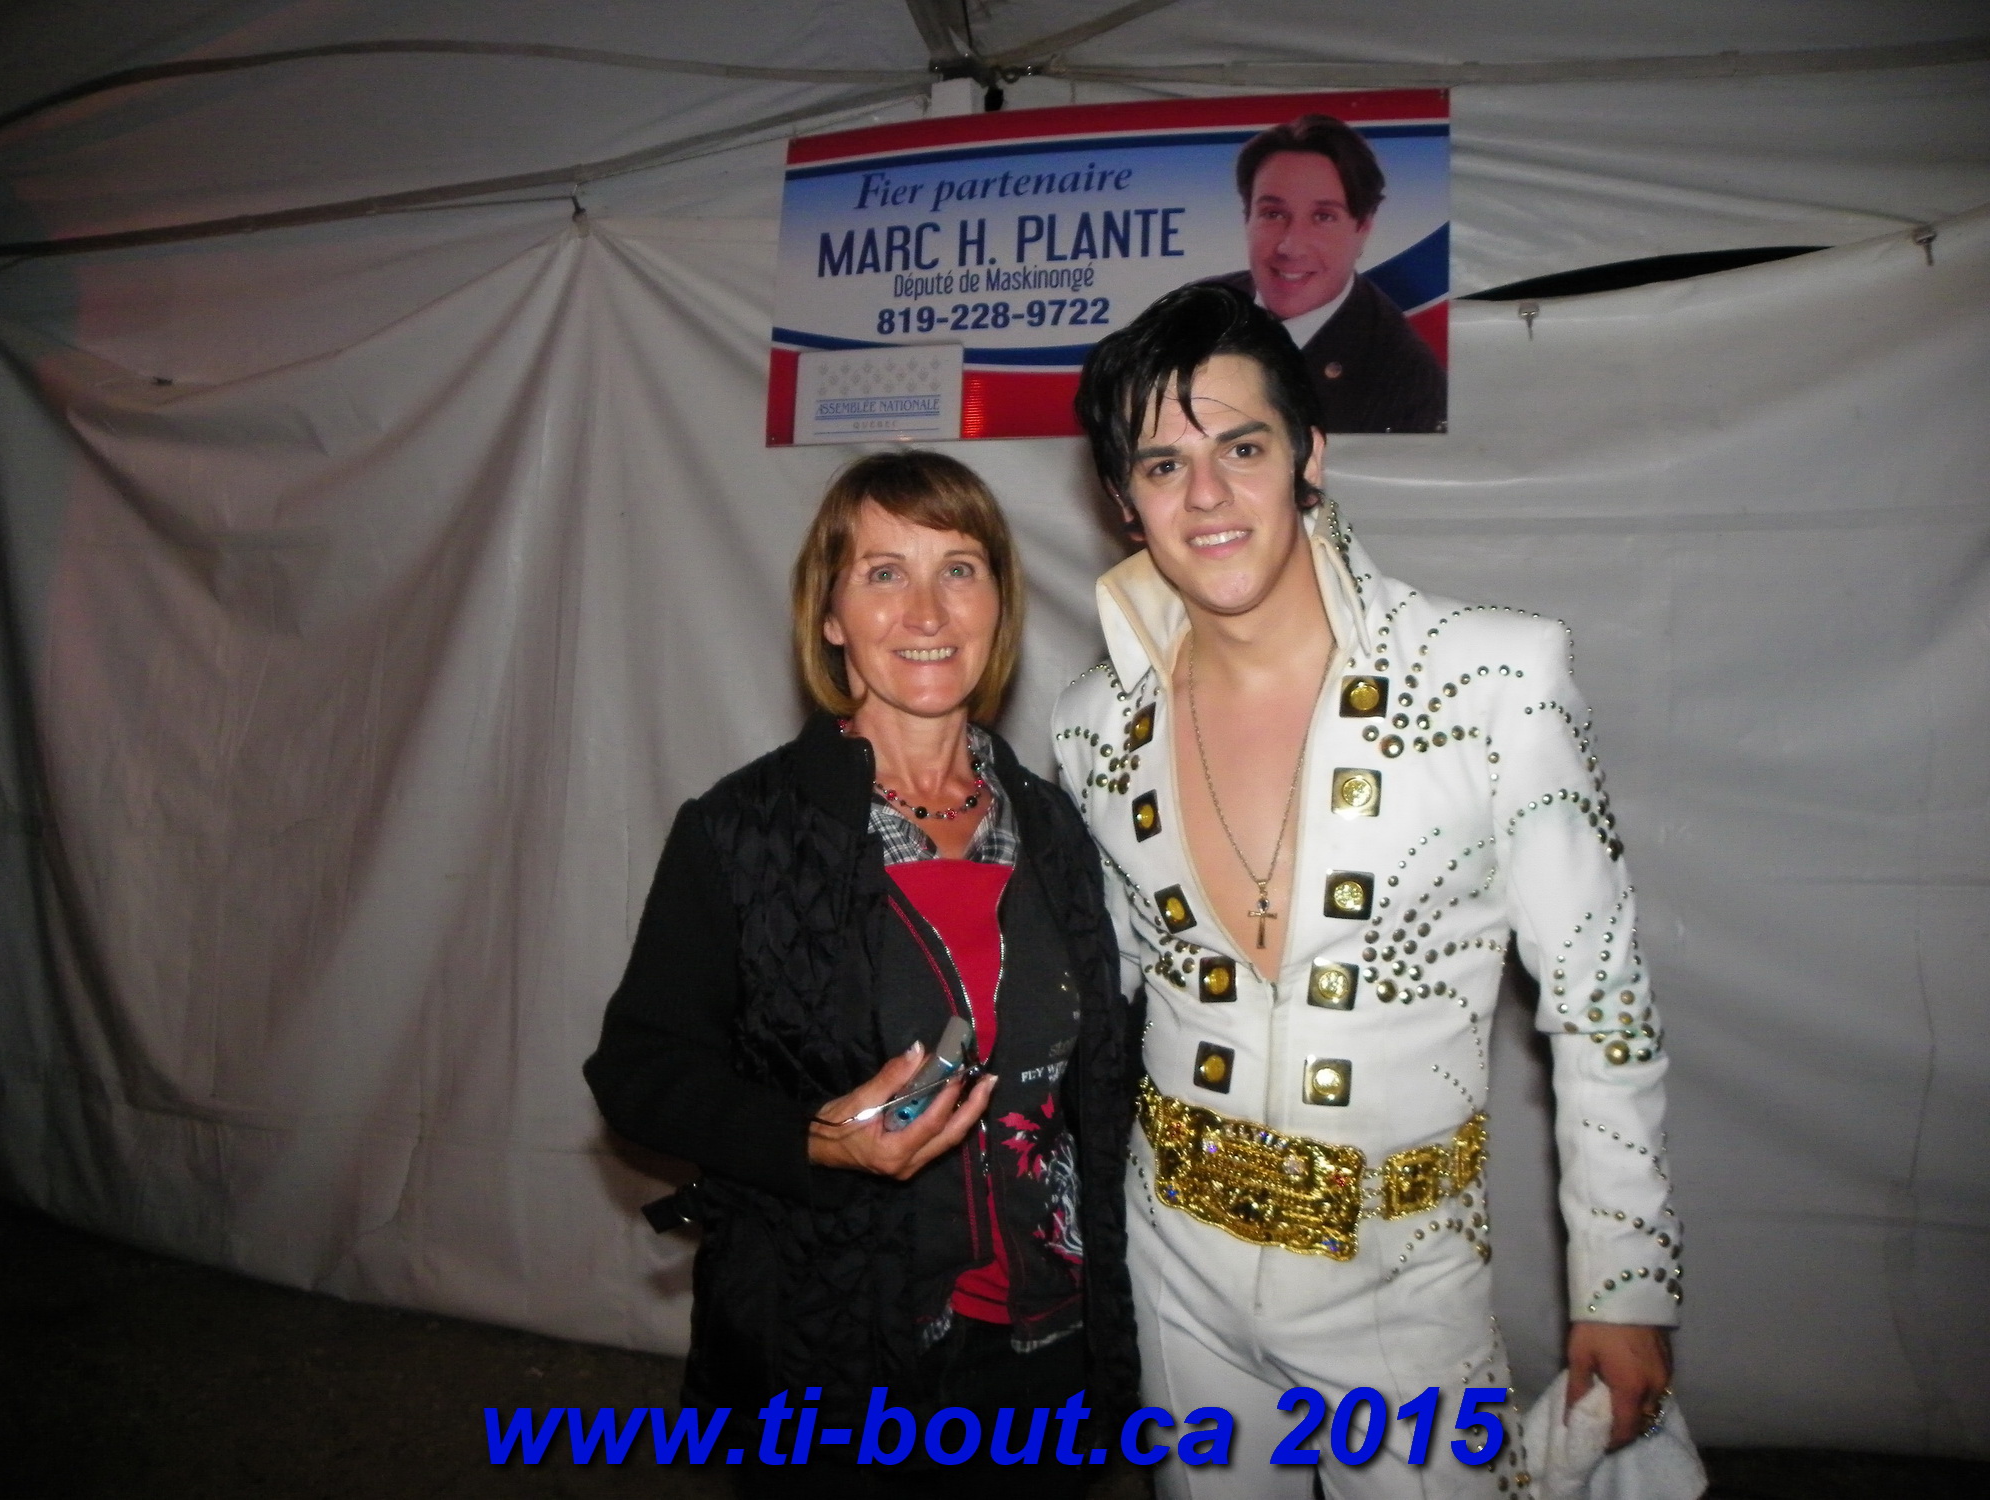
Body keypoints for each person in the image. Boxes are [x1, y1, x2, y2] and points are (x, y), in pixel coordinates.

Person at [1053, 283, 1677, 1498]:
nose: (1206, 495)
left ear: (1309, 455)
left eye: (1241, 448)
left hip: (1402, 1281)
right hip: (1172, 1268)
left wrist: (1623, 1284)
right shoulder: (1090, 726)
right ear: (1123, 501)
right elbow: (1097, 999)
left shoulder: (1493, 678)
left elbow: (1599, 1004)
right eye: (1162, 464)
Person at [584, 450, 1136, 1498]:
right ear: (831, 615)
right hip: (833, 1350)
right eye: (884, 573)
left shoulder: (1058, 829)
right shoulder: (743, 832)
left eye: (959, 569)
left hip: (1045, 1350)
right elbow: (639, 1073)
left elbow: (1101, 1081)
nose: (927, 610)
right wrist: (812, 1138)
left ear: (999, 604)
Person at [1207, 113, 1446, 434]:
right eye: (1273, 214)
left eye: (1323, 217)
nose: (1291, 246)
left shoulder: (1406, 381)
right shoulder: (1198, 311)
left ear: (1362, 228)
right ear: (1246, 218)